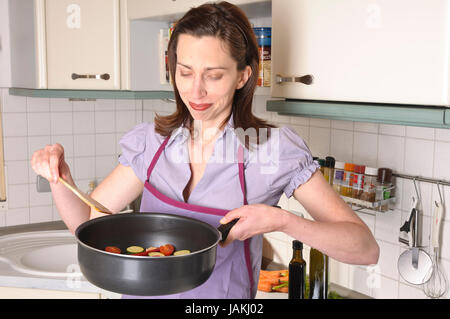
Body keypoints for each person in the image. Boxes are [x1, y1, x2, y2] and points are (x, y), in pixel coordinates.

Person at [31, 1, 379, 299]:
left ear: (243, 76)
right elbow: (89, 227)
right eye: (185, 72)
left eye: (213, 75)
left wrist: (281, 221)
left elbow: (365, 249)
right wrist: (60, 178)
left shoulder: (272, 150)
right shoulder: (151, 142)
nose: (195, 91)